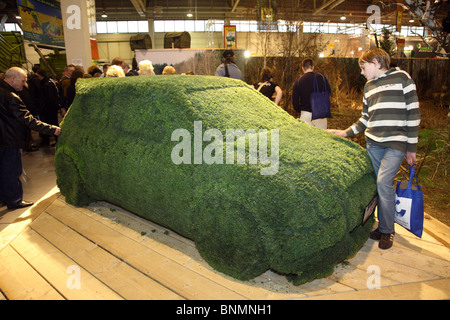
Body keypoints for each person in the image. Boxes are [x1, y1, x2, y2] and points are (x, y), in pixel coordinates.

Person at [327, 48, 420, 250]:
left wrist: (411, 147)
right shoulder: (369, 86)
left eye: (363, 67)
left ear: (376, 62)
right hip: (374, 143)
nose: (361, 72)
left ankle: (388, 230)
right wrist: (346, 132)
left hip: (396, 143)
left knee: (384, 182)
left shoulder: (402, 78)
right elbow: (365, 118)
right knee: (377, 185)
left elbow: (413, 113)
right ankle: (379, 224)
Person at [0, 67, 61, 209]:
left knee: (3, 171)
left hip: (2, 140)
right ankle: (14, 200)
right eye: (23, 80)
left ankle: (4, 197)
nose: (25, 84)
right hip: (10, 140)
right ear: (12, 78)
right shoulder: (11, 97)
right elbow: (27, 120)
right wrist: (53, 129)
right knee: (12, 171)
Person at [292, 58, 331, 129]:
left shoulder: (298, 81)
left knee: (306, 139)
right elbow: (328, 92)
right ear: (313, 67)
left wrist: (300, 109)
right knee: (321, 138)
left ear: (302, 68)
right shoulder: (322, 78)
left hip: (306, 114)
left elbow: (295, 103)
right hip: (320, 114)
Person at [36, 68, 61, 146]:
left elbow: (49, 98)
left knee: (50, 124)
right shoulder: (50, 81)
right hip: (52, 108)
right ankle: (56, 140)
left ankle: (53, 141)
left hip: (49, 109)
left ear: (40, 75)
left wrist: (43, 108)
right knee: (53, 124)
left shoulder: (46, 84)